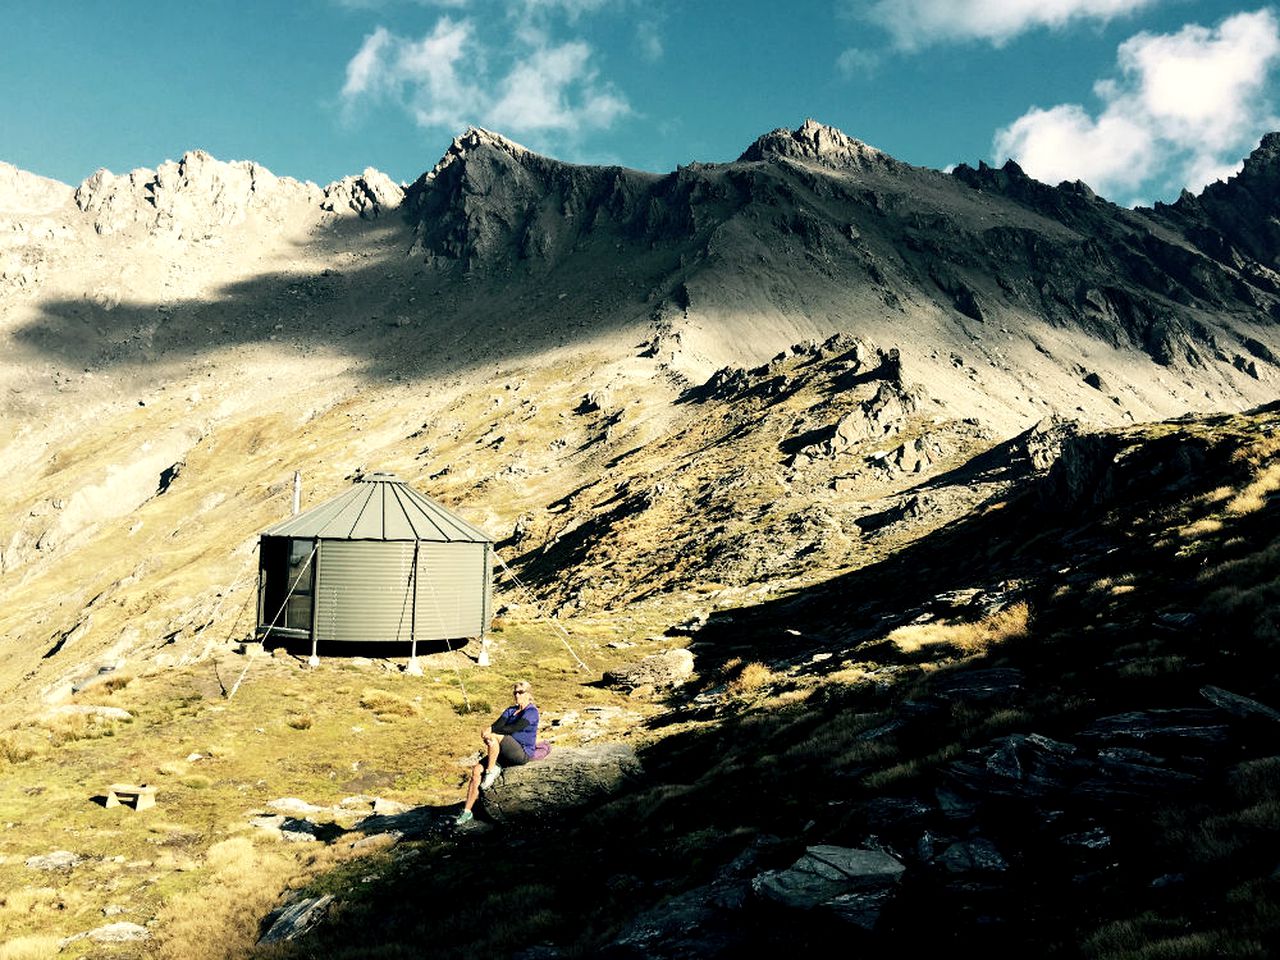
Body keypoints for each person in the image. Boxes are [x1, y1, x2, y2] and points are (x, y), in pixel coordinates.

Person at [455, 680, 539, 824]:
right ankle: (467, 811)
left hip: (521, 752)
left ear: (528, 694)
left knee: (494, 736)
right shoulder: (511, 710)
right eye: (515, 692)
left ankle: (491, 771)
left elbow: (514, 728)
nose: (517, 695)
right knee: (476, 771)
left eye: (520, 692)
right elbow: (497, 725)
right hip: (504, 752)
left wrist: (491, 733)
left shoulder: (531, 712)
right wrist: (487, 730)